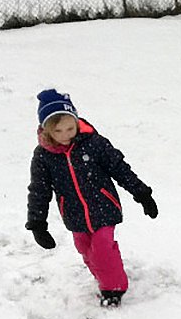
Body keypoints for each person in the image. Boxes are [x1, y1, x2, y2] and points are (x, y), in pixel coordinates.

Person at [25, 89, 157, 307]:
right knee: (86, 250)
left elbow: (119, 169)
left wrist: (142, 193)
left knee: (102, 249)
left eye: (70, 128)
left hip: (104, 207)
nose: (66, 134)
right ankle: (104, 275)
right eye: (58, 131)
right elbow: (39, 190)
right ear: (46, 130)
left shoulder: (94, 144)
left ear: (77, 121)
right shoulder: (43, 157)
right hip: (74, 215)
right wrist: (38, 224)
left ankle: (113, 289)